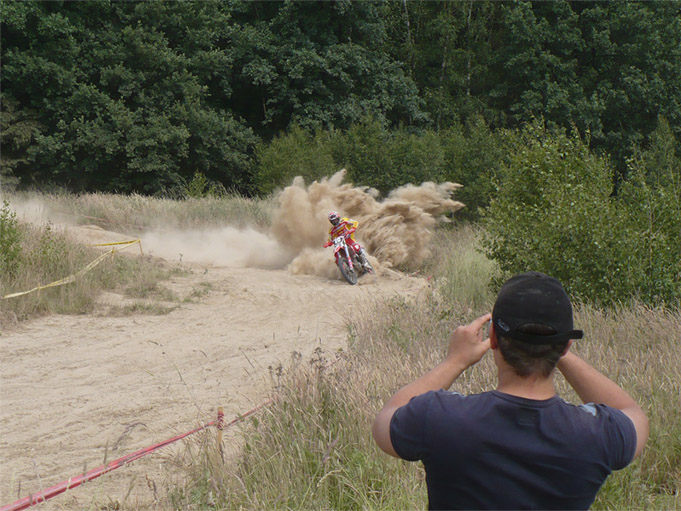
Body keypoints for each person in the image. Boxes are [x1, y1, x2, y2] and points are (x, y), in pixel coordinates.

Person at [372, 271, 649, 510]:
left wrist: (454, 361)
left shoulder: (440, 417)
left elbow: (387, 417)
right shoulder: (599, 434)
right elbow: (632, 413)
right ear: (566, 346)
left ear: (493, 338)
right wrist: (552, 345)